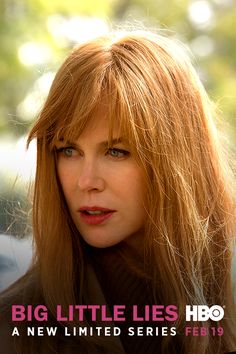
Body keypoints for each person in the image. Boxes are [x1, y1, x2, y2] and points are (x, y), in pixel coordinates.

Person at [0, 29, 235, 354]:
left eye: (116, 152)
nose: (86, 181)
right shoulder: (18, 329)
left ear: (177, 162)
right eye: (68, 150)